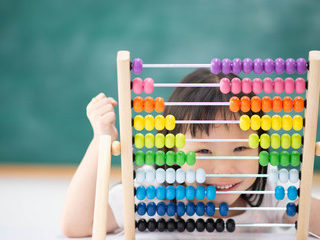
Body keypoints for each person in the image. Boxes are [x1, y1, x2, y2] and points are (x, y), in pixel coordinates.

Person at [61, 68, 320, 237]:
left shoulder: (271, 191)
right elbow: (77, 225)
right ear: (173, 150)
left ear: (262, 148)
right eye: (204, 150)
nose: (224, 169)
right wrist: (101, 141)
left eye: (240, 148)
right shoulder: (154, 191)